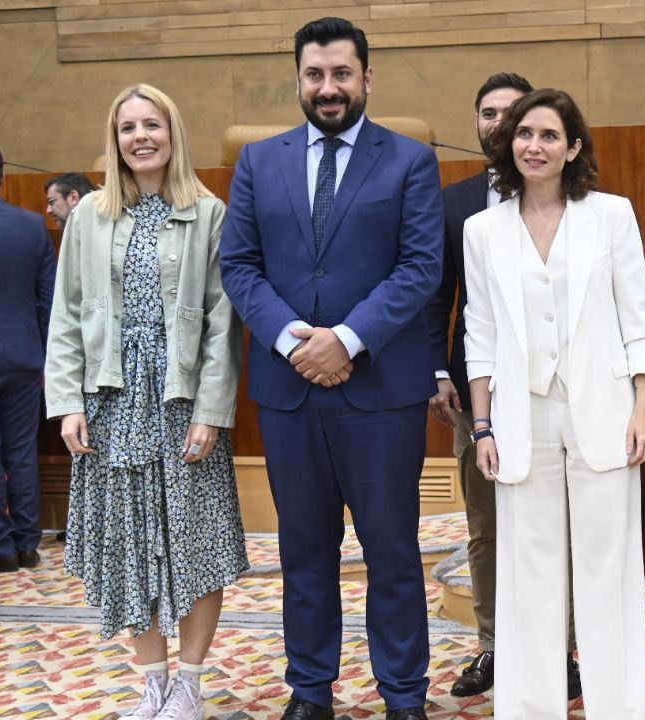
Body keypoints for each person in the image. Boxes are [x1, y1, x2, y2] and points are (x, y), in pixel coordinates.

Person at [219, 17, 444, 720]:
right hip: (290, 396)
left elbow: (420, 268)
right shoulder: (259, 161)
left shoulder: (410, 160)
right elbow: (239, 266)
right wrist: (294, 342)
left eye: (342, 74)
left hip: (381, 395)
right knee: (304, 555)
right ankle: (310, 692)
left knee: (394, 556)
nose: (328, 88)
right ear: (298, 79)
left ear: (367, 78)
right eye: (315, 74)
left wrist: (346, 340)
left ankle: (404, 695)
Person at [44, 84, 246, 720]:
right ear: (115, 139)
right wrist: (67, 402)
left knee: (196, 541)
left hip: (182, 402)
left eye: (151, 124)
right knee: (128, 544)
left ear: (173, 131)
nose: (140, 137)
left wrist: (212, 410)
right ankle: (152, 682)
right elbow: (67, 316)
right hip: (112, 403)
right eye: (128, 126)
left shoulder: (210, 213)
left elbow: (222, 320)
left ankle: (189, 682)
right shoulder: (88, 216)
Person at [462, 88, 645, 719]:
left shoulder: (611, 214)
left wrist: (641, 406)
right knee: (530, 577)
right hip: (520, 419)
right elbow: (481, 334)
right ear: (507, 144)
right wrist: (483, 426)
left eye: (549, 135)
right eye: (524, 134)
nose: (534, 145)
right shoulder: (482, 229)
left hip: (603, 413)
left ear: (573, 147)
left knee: (608, 574)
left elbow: (638, 316)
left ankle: (617, 708)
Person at [0, 140, 55, 574]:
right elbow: (48, 301)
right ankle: (28, 544)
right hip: (26, 357)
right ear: (1, 177)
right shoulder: (34, 225)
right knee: (22, 450)